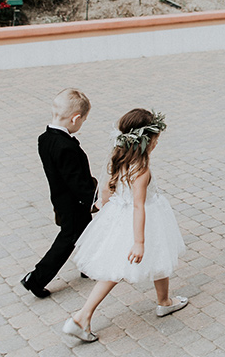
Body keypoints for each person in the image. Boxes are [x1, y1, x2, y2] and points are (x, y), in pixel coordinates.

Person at [63, 108, 188, 342]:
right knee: (120, 268)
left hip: (118, 216)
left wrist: (104, 203)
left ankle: (164, 301)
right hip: (141, 219)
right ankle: (82, 317)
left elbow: (107, 186)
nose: (157, 143)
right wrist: (139, 242)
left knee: (151, 257)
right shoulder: (141, 169)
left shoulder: (119, 158)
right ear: (146, 140)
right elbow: (139, 206)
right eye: (156, 139)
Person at [22, 89, 98, 299]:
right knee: (67, 240)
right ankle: (36, 278)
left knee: (87, 232)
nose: (81, 124)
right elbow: (76, 181)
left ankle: (87, 266)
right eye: (82, 120)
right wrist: (95, 199)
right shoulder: (66, 146)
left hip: (62, 198)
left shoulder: (45, 138)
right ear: (75, 118)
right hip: (74, 202)